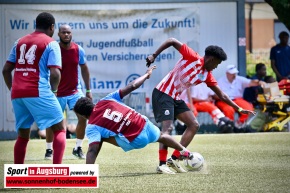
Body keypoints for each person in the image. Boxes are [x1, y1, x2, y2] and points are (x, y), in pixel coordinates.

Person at [146, 38, 256, 174]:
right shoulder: (192, 56)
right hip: (163, 92)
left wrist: (238, 108)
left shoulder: (207, 75)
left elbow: (222, 95)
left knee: (194, 125)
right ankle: (162, 165)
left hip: (175, 97)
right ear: (210, 59)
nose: (217, 66)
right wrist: (154, 55)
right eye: (217, 63)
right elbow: (171, 41)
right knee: (167, 128)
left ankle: (173, 159)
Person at [73, 65, 192, 174]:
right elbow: (132, 86)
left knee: (98, 138)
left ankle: (88, 172)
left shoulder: (92, 127)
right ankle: (185, 152)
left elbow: (92, 150)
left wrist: (86, 172)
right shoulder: (106, 100)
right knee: (161, 136)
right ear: (91, 103)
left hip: (137, 139)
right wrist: (146, 75)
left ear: (82, 115)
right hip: (145, 123)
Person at [2, 12, 66, 164]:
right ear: (52, 27)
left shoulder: (19, 42)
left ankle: (18, 172)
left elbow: (5, 70)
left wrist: (13, 89)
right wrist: (54, 92)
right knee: (59, 128)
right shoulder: (51, 43)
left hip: (18, 93)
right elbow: (55, 73)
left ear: (36, 25)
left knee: (23, 135)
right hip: (37, 90)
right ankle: (57, 172)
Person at [44, 24, 92, 160]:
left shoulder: (78, 50)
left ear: (71, 34)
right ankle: (49, 149)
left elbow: (84, 69)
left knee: (83, 117)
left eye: (68, 32)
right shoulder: (53, 49)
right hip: (56, 92)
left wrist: (88, 90)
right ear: (58, 34)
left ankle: (78, 147)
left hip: (74, 92)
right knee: (53, 121)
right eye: (63, 32)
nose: (66, 35)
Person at [216, 65, 266, 129]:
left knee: (248, 109)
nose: (234, 75)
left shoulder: (239, 79)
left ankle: (238, 125)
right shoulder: (220, 81)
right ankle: (229, 126)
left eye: (235, 73)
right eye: (232, 74)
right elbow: (216, 94)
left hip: (237, 100)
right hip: (225, 101)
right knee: (229, 110)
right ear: (227, 73)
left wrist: (259, 82)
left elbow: (251, 82)